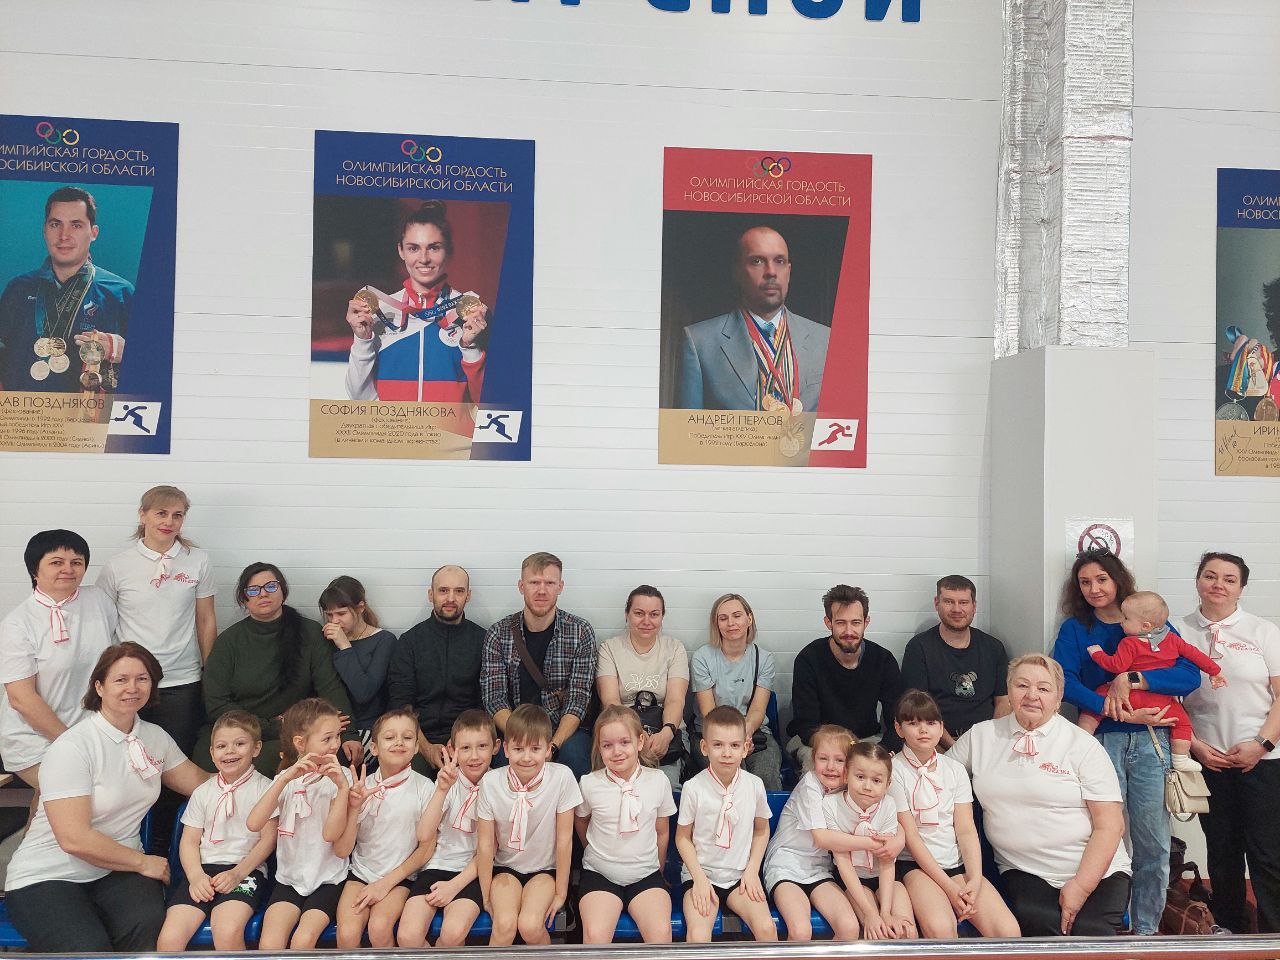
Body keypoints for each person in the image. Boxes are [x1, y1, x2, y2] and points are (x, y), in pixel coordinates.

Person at [3, 643, 208, 952]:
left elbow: (202, 784)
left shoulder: (154, 737)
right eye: (121, 679)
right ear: (99, 687)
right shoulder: (73, 746)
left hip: (117, 872)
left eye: (142, 679)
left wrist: (267, 785)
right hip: (48, 874)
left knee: (148, 929)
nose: (132, 688)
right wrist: (143, 862)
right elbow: (74, 839)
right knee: (89, 948)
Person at [1052, 547, 1197, 936]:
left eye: (1101, 579)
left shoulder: (1151, 623)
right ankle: (1107, 924)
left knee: (1153, 842)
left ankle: (1146, 930)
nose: (1094, 588)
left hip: (1153, 740)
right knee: (1101, 836)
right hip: (1100, 741)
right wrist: (1114, 708)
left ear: (1117, 579)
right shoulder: (1075, 629)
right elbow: (1064, 681)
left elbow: (1189, 676)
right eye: (1085, 582)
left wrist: (1134, 679)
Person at [950, 654, 1130, 937]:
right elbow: (940, 775)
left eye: (1043, 688)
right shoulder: (981, 737)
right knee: (1043, 927)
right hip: (1023, 869)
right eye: (1022, 685)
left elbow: (1111, 826)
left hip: (1097, 870)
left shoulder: (1083, 745)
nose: (1032, 695)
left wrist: (1080, 887)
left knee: (1090, 933)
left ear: (1058, 699)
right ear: (1009, 691)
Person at [97, 485, 216, 853]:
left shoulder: (198, 561)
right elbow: (104, 625)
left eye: (177, 515)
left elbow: (206, 620)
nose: (169, 521)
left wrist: (209, 674)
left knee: (172, 767)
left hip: (182, 681)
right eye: (161, 513)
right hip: (132, 685)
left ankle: (165, 844)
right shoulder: (118, 566)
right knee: (128, 765)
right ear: (143, 515)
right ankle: (124, 841)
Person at [1177, 551, 1280, 933]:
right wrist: (1195, 745)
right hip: (1208, 760)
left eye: (1229, 579)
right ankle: (1231, 932)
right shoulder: (1177, 631)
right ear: (1198, 581)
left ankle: (1272, 935)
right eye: (1210, 575)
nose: (1218, 584)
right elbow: (1170, 699)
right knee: (1221, 854)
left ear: (1241, 587)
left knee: (1267, 854)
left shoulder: (1262, 631)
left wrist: (1262, 744)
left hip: (1263, 762)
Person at [198, 563, 355, 774]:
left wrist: (349, 734)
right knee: (215, 757)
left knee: (323, 752)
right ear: (244, 599)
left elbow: (330, 686)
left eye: (271, 586)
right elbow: (216, 704)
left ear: (283, 591)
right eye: (253, 590)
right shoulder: (228, 641)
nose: (263, 594)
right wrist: (270, 727)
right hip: (242, 731)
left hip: (296, 732)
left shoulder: (309, 632)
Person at [889, 690, 1019, 938]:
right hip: (915, 865)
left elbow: (966, 829)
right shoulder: (894, 771)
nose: (923, 730)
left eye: (930, 723)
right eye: (913, 723)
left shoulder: (955, 769)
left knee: (1008, 931)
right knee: (942, 929)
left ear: (941, 728)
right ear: (898, 728)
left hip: (956, 864)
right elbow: (911, 837)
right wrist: (949, 888)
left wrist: (975, 880)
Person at [0, 529, 116, 794]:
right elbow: (21, 698)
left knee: (54, 806)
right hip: (34, 738)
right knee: (80, 796)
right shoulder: (18, 624)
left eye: (76, 562)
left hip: (90, 731)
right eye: (56, 562)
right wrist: (73, 743)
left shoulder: (99, 600)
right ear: (35, 570)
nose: (68, 569)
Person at [344, 200, 488, 403]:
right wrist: (362, 340)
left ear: (448, 250)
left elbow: (487, 401)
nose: (424, 258)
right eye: (413, 248)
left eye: (434, 248)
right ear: (401, 251)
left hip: (452, 426)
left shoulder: (471, 313)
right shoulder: (381, 312)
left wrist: (470, 347)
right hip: (395, 425)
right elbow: (359, 398)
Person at [156, 711, 276, 951]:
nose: (230, 751)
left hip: (245, 872)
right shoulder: (203, 792)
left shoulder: (266, 789)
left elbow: (269, 839)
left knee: (227, 931)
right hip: (203, 872)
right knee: (169, 940)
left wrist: (237, 874)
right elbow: (189, 842)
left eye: (240, 744)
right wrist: (195, 876)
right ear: (212, 753)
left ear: (256, 748)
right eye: (221, 746)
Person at [678, 225, 829, 412]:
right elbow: (687, 427)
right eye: (757, 261)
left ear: (789, 271)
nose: (771, 271)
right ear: (737, 272)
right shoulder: (699, 342)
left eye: (779, 261)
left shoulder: (826, 340)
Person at [0, 186, 132, 394]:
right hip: (24, 411)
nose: (64, 235)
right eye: (55, 224)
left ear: (94, 233)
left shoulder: (120, 293)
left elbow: (153, 362)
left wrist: (123, 350)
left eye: (76, 225)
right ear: (45, 230)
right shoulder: (17, 288)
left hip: (89, 412)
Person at [1078, 591, 1226, 773]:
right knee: (1182, 722)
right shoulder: (1172, 638)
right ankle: (1180, 758)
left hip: (1129, 697)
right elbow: (1195, 655)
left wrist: (1097, 654)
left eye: (1126, 618)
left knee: (1093, 707)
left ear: (1145, 625)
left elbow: (1116, 665)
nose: (1121, 621)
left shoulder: (1129, 643)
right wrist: (1215, 671)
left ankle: (1082, 743)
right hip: (1161, 701)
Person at [247, 698, 353, 951]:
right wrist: (284, 780)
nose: (335, 744)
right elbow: (254, 823)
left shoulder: (343, 778)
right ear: (300, 743)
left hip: (328, 881)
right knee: (269, 944)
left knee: (302, 941)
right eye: (327, 739)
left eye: (337, 736)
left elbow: (331, 834)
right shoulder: (286, 778)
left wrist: (342, 788)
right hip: (289, 880)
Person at [481, 552, 597, 778]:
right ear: (521, 586)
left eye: (550, 583)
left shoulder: (580, 631)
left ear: (560, 587)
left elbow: (578, 698)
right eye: (534, 582)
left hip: (563, 731)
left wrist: (552, 745)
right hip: (515, 730)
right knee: (502, 761)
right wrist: (524, 743)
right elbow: (494, 698)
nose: (542, 590)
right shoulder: (498, 633)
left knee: (574, 757)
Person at [476, 704, 582, 947]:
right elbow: (485, 844)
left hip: (545, 870)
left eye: (535, 749)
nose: (526, 757)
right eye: (518, 749)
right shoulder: (491, 782)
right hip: (505, 868)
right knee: (504, 925)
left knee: (530, 925)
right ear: (505, 749)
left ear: (548, 748)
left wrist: (561, 893)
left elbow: (565, 840)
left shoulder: (562, 777)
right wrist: (486, 894)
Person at [333, 707, 436, 949]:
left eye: (407, 737)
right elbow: (343, 849)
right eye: (390, 737)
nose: (399, 742)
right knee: (347, 935)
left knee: (379, 929)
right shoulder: (361, 786)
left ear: (416, 746)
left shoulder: (425, 788)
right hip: (361, 873)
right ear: (374, 747)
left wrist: (385, 884)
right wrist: (354, 808)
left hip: (401, 877)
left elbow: (426, 848)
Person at [575, 705, 678, 944]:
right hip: (600, 873)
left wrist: (658, 870)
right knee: (596, 936)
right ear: (599, 748)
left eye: (624, 742)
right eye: (607, 745)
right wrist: (594, 850)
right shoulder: (590, 783)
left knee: (661, 934)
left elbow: (662, 832)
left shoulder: (658, 781)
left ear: (640, 742)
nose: (616, 752)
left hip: (645, 874)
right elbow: (581, 822)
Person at [398, 710, 500, 948]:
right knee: (407, 937)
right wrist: (442, 790)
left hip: (474, 872)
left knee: (453, 933)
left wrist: (454, 886)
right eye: (465, 748)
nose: (474, 756)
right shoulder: (447, 780)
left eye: (482, 746)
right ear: (452, 749)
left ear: (496, 747)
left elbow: (490, 849)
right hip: (437, 866)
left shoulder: (498, 784)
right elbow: (424, 834)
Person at [676, 705, 777, 943]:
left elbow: (762, 830)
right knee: (698, 935)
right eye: (718, 745)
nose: (726, 753)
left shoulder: (754, 785)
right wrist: (699, 879)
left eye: (734, 745)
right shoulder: (693, 787)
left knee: (767, 928)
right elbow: (682, 838)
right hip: (701, 874)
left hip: (740, 875)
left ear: (746, 748)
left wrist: (752, 870)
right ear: (704, 747)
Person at [787, 584, 903, 773]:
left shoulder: (883, 660)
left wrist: (878, 753)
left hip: (867, 740)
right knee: (820, 768)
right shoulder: (809, 659)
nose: (849, 631)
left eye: (856, 622)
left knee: (891, 770)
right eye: (841, 623)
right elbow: (806, 725)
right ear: (828, 623)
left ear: (866, 622)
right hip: (818, 742)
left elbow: (897, 722)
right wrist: (841, 752)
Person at [763, 724, 863, 941]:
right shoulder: (810, 784)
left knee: (849, 928)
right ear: (813, 759)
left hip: (819, 870)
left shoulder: (850, 790)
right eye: (823, 759)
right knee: (801, 931)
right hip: (786, 866)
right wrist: (870, 843)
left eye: (839, 760)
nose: (830, 767)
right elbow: (822, 837)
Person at [387, 564, 486, 775]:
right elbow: (401, 704)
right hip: (418, 738)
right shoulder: (410, 642)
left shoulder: (483, 640)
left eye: (459, 591)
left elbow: (484, 703)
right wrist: (426, 748)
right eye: (443, 590)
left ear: (468, 596)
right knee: (408, 781)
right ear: (431, 594)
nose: (450, 598)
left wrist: (462, 743)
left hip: (469, 739)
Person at [899, 575, 1010, 747]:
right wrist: (955, 749)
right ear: (937, 603)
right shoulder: (919, 648)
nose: (957, 609)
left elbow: (1003, 701)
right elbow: (918, 708)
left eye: (963, 602)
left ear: (974, 606)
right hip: (936, 741)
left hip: (986, 741)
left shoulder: (994, 647)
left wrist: (992, 742)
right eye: (949, 602)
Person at [596, 585, 690, 787]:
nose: (646, 621)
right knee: (618, 788)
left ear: (662, 617)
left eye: (654, 614)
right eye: (639, 613)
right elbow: (611, 701)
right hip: (621, 731)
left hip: (665, 730)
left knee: (663, 787)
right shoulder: (609, 648)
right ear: (627, 615)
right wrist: (634, 734)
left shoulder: (675, 649)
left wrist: (667, 733)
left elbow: (675, 700)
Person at [825, 741, 916, 940]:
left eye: (876, 781)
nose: (867, 787)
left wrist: (886, 912)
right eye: (860, 777)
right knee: (878, 932)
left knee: (906, 931)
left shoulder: (888, 805)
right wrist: (871, 914)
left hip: (885, 876)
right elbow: (842, 861)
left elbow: (887, 859)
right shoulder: (831, 805)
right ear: (846, 774)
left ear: (887, 785)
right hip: (852, 879)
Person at [692, 593, 781, 789]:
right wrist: (732, 742)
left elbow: (758, 710)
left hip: (754, 732)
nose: (731, 623)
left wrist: (744, 736)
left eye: (737, 616)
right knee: (732, 776)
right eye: (723, 618)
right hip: (712, 734)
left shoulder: (764, 659)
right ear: (716, 624)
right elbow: (709, 712)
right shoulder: (702, 658)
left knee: (765, 778)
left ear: (749, 619)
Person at [319, 576, 397, 765]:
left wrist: (345, 647)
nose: (335, 621)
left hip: (369, 727)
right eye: (329, 615)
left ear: (360, 607)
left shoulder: (384, 640)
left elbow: (364, 692)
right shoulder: (326, 640)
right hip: (332, 725)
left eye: (341, 614)